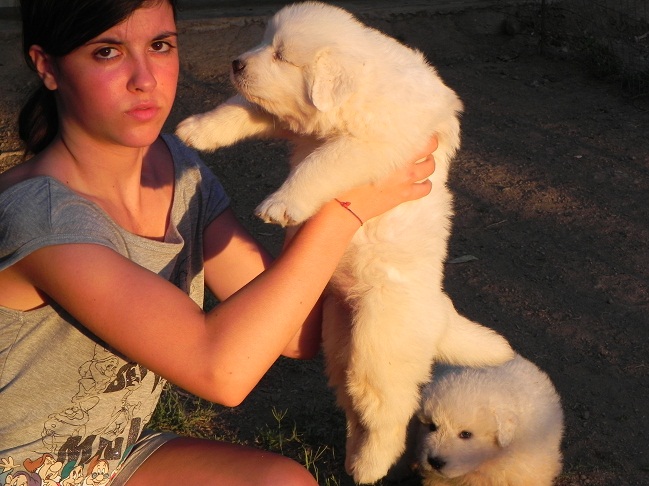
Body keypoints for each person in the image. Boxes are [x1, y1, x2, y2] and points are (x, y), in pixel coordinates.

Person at [0, 0, 438, 485]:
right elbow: (223, 371)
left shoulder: (177, 168)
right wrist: (343, 210)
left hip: (112, 456)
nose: (144, 78)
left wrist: (339, 152)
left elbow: (293, 334)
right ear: (47, 67)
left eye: (160, 45)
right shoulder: (44, 220)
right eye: (108, 52)